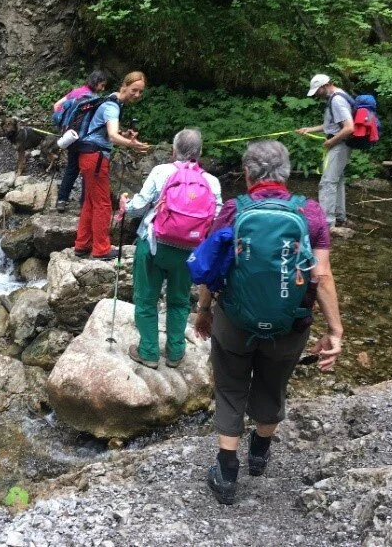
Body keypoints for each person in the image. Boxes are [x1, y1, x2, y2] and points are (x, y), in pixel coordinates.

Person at [192, 140, 344, 505]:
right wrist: (335, 330)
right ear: (287, 173)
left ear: (247, 174)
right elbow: (320, 276)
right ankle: (259, 454)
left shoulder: (233, 209)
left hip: (235, 321)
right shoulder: (310, 213)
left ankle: (227, 472)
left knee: (230, 387)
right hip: (290, 325)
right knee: (272, 385)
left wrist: (204, 309)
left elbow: (212, 268)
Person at [119, 129, 222, 369]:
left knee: (146, 299)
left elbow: (138, 207)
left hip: (155, 245)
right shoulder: (211, 181)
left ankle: (149, 352)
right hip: (189, 250)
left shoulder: (161, 171)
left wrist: (125, 204)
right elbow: (217, 219)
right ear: (200, 152)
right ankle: (175, 352)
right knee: (179, 300)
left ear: (173, 151)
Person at [72, 71, 150, 260]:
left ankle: (82, 245)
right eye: (134, 90)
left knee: (91, 202)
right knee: (103, 204)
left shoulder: (113, 100)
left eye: (140, 92)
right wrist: (131, 143)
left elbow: (107, 131)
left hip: (88, 155)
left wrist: (125, 134)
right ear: (125, 86)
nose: (137, 95)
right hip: (96, 157)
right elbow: (113, 136)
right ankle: (101, 249)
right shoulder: (112, 106)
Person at [296, 74, 355, 228]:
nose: (316, 94)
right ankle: (340, 217)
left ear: (325, 85)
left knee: (327, 182)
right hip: (340, 144)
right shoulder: (337, 96)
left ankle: (327, 223)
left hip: (340, 145)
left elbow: (349, 127)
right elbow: (332, 124)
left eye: (317, 91)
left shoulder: (337, 100)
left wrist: (330, 142)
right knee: (337, 180)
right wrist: (310, 129)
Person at [54, 70, 109, 213]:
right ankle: (84, 204)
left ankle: (62, 200)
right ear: (96, 83)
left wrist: (64, 128)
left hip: (70, 138)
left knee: (71, 169)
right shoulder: (95, 100)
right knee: (86, 172)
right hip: (86, 141)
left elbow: (57, 106)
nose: (103, 89)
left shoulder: (74, 93)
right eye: (102, 85)